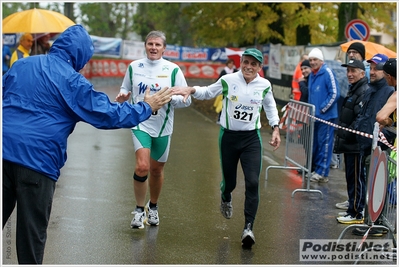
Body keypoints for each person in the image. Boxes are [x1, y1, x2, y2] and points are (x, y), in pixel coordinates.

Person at [2, 25, 173, 264]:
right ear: (79, 55)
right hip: (37, 163)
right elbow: (107, 114)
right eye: (85, 59)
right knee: (30, 239)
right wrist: (146, 107)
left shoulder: (21, 65)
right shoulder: (71, 81)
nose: (84, 65)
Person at [171, 48, 281, 248]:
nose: (248, 67)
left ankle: (248, 227)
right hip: (228, 137)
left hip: (251, 139)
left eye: (253, 64)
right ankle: (225, 195)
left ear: (259, 67)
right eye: (245, 62)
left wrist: (275, 128)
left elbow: (270, 105)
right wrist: (191, 89)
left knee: (253, 181)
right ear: (241, 63)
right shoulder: (228, 80)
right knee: (229, 183)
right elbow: (208, 92)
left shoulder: (264, 84)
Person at [115, 30, 191, 230]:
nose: (154, 48)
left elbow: (187, 99)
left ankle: (153, 206)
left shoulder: (173, 70)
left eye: (158, 45)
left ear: (164, 48)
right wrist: (123, 97)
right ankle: (139, 210)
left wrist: (167, 99)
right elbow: (125, 89)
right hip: (140, 123)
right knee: (142, 166)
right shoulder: (134, 67)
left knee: (157, 170)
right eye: (150, 44)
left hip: (163, 125)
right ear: (145, 46)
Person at [351, 54, 395, 237]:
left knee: (378, 184)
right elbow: (366, 114)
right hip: (368, 144)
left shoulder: (389, 90)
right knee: (371, 183)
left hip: (381, 146)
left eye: (377, 68)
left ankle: (375, 223)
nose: (373, 71)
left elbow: (380, 117)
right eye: (371, 67)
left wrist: (385, 132)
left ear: (387, 73)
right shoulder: (370, 88)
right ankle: (372, 220)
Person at [333, 59, 368, 224]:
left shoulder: (362, 90)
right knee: (351, 178)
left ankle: (356, 212)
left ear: (362, 73)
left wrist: (347, 134)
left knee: (356, 179)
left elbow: (359, 118)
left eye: (353, 71)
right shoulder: (354, 88)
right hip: (349, 143)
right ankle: (352, 210)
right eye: (348, 71)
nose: (349, 74)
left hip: (355, 144)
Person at [307, 48, 340, 183]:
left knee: (325, 145)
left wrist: (322, 109)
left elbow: (334, 93)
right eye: (311, 60)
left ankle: (323, 173)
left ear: (321, 61)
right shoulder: (312, 75)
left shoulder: (327, 73)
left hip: (326, 117)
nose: (312, 62)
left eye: (315, 59)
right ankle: (317, 170)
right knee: (316, 145)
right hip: (315, 117)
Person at [214, 58, 238, 123]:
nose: (231, 65)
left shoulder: (236, 71)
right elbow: (219, 81)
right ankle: (219, 118)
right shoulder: (224, 72)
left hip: (234, 92)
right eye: (230, 63)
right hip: (224, 92)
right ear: (227, 64)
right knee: (222, 105)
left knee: (232, 105)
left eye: (232, 63)